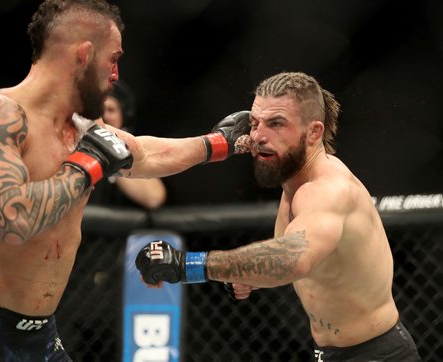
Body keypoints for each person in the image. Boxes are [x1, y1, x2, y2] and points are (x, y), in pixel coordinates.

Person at [0, 0, 251, 360]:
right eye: (114, 58)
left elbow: (146, 154)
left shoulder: (81, 125)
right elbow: (13, 220)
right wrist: (85, 165)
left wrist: (219, 144)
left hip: (41, 335)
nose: (117, 74)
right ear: (85, 55)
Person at [136, 72, 422, 361]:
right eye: (254, 123)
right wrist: (249, 274)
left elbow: (291, 259)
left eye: (276, 124)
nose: (258, 136)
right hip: (336, 353)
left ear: (313, 132)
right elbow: (297, 256)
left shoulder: (327, 190)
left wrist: (188, 266)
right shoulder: (293, 183)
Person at [89, 86, 167, 209]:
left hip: (114, 225)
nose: (105, 116)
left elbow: (154, 198)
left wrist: (113, 148)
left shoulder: (133, 150)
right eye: (100, 110)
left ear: (122, 117)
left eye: (111, 110)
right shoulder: (73, 146)